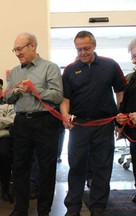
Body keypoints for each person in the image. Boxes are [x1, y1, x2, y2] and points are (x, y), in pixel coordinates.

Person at [60, 30, 126, 216]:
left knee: (102, 167)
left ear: (94, 45)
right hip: (79, 126)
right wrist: (65, 115)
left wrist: (120, 114)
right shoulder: (71, 69)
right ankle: (73, 207)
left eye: (86, 48)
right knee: (76, 167)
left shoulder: (110, 65)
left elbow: (120, 91)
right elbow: (65, 98)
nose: (82, 52)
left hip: (104, 125)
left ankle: (98, 207)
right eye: (79, 49)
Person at [4, 32, 63, 216]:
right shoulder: (14, 72)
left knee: (46, 168)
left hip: (46, 122)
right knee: (20, 167)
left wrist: (35, 90)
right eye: (15, 49)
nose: (17, 53)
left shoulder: (50, 68)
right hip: (21, 122)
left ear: (32, 46)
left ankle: (44, 211)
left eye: (20, 49)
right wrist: (16, 93)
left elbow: (57, 96)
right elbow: (6, 97)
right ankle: (20, 210)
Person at [116, 38, 136, 203]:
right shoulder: (132, 77)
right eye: (132, 56)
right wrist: (120, 118)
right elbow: (125, 101)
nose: (134, 60)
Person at [0, 79, 15, 202]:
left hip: (1, 137)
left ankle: (5, 188)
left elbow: (11, 120)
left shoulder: (8, 105)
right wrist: (1, 121)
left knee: (3, 155)